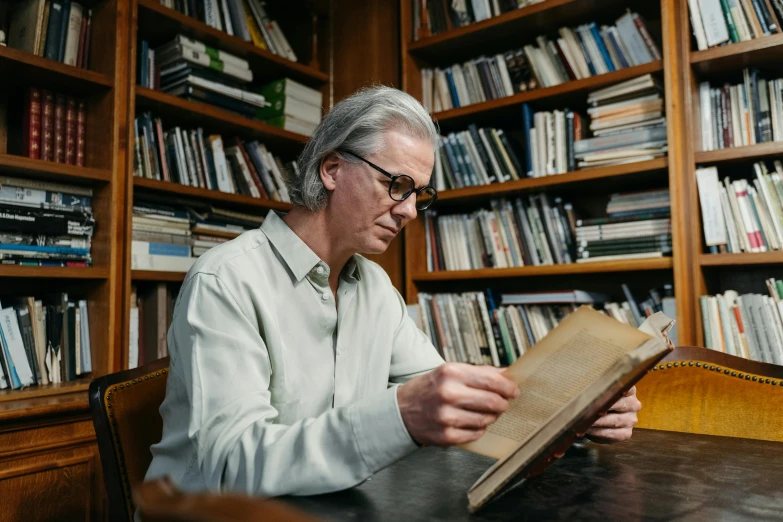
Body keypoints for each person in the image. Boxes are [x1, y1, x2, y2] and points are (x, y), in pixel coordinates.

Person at [142, 85, 642, 501]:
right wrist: (400, 416)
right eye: (397, 184)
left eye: (419, 194)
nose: (408, 211)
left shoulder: (373, 286)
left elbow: (443, 396)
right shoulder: (226, 278)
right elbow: (231, 466)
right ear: (332, 169)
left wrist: (572, 413)